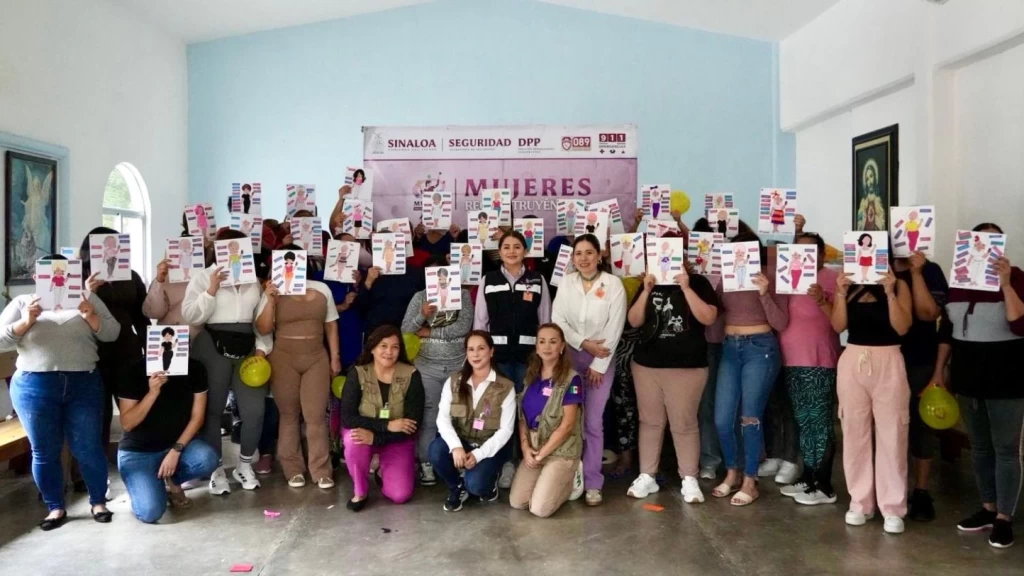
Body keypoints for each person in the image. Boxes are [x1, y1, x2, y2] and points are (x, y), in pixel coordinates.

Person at [0, 254, 120, 530]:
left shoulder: (87, 298)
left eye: (67, 274)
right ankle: (55, 507)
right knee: (44, 450)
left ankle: (98, 501)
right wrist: (26, 321)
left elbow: (112, 333)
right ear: (37, 278)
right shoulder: (22, 303)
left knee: (88, 447)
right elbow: (1, 339)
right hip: (34, 385)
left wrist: (90, 314)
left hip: (83, 383)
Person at [934, 223, 1024, 548]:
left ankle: (1004, 517)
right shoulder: (958, 284)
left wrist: (1005, 284)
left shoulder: (1015, 277)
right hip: (968, 380)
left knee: (1005, 450)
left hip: (1007, 382)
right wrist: (939, 372)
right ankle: (987, 508)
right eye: (977, 241)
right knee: (981, 447)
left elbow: (1020, 323)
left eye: (991, 242)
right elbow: (947, 331)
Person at [182, 229, 272, 495]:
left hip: (247, 348)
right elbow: (190, 315)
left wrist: (262, 348)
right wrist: (211, 289)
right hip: (211, 345)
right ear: (217, 248)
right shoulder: (202, 277)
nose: (234, 251)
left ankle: (244, 464)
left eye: (240, 247)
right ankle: (216, 469)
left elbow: (262, 321)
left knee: (255, 410)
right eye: (228, 246)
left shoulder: (253, 281)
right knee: (212, 410)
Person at [625, 260, 719, 504]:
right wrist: (645, 290)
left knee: (684, 423)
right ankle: (647, 474)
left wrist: (687, 288)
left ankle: (689, 478)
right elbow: (634, 320)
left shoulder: (698, 282)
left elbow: (709, 317)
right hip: (647, 365)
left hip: (687, 367)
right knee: (650, 422)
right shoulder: (650, 283)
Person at [832, 257, 912, 534]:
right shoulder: (850, 284)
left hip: (889, 359)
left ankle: (893, 506)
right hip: (853, 358)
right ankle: (860, 502)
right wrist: (841, 292)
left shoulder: (898, 284)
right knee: (854, 432)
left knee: (893, 433)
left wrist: (890, 293)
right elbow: (837, 326)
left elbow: (903, 327)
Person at [711, 231, 788, 507]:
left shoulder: (770, 276)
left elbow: (780, 322)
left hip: (761, 347)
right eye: (735, 251)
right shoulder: (727, 277)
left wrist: (765, 293)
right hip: (730, 347)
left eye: (745, 251)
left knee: (750, 417)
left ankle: (750, 480)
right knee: (722, 417)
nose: (740, 256)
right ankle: (732, 471)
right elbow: (715, 311)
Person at [255, 248, 341, 489]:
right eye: (286, 262)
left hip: (316, 356)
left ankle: (322, 470)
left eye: (296, 261)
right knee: (289, 414)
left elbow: (331, 325)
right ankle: (293, 468)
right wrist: (271, 299)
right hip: (283, 357)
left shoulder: (322, 289)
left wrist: (335, 357)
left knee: (315, 416)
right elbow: (262, 329)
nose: (292, 266)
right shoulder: (273, 290)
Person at [551, 234, 627, 506]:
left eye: (589, 253)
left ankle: (593, 482)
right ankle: (570, 476)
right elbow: (557, 319)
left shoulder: (614, 284)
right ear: (572, 258)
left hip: (600, 363)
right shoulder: (566, 283)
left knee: (593, 423)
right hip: (569, 361)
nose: (583, 258)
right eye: (578, 253)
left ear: (599, 255)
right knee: (567, 421)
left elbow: (615, 326)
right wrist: (583, 343)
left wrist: (598, 363)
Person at [475, 230, 552, 486]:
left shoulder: (537, 280)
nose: (511, 251)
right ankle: (506, 463)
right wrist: (483, 359)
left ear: (525, 251)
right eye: (506, 247)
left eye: (517, 246)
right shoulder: (489, 279)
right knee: (502, 412)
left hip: (529, 359)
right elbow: (480, 323)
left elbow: (546, 321)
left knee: (529, 411)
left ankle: (531, 460)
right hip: (499, 360)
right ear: (500, 251)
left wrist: (543, 357)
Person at [775, 227, 841, 505]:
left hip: (819, 360)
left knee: (820, 421)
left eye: (811, 250)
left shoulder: (834, 278)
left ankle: (824, 484)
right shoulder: (787, 276)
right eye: (798, 249)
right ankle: (808, 475)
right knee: (803, 421)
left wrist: (822, 299)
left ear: (823, 254)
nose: (804, 255)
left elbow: (841, 319)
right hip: (790, 360)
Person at [80, 227, 149, 477]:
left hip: (127, 351)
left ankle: (138, 461)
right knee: (98, 414)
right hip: (91, 352)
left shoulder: (130, 275)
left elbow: (141, 317)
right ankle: (93, 473)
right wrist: (89, 291)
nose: (110, 250)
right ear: (91, 249)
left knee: (133, 408)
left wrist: (148, 349)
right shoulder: (78, 276)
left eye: (115, 245)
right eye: (104, 245)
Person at [115, 359, 218, 523]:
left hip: (177, 446)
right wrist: (153, 392)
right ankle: (147, 487)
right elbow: (127, 424)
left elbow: (197, 418)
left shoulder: (195, 367)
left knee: (207, 458)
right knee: (150, 512)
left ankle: (172, 480)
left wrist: (175, 451)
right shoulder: (133, 369)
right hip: (139, 452)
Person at [401, 256, 473, 486]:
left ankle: (460, 461)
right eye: (434, 275)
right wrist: (422, 314)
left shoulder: (461, 295)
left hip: (458, 365)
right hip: (427, 366)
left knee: (460, 414)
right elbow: (406, 329)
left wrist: (430, 332)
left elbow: (464, 328)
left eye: (443, 274)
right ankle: (427, 463)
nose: (440, 279)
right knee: (430, 414)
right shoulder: (419, 297)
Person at [340, 326, 425, 511]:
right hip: (366, 435)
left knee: (400, 495)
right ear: (372, 348)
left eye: (395, 347)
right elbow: (347, 418)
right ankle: (360, 491)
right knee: (353, 439)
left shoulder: (412, 375)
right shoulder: (358, 373)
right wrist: (387, 426)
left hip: (397, 440)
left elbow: (412, 425)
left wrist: (378, 437)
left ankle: (382, 472)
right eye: (383, 346)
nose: (389, 352)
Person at [429, 331, 515, 511]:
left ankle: (488, 482)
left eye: (481, 348)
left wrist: (478, 455)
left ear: (491, 351)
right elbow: (442, 419)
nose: (475, 354)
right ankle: (456, 487)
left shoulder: (506, 387)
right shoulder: (454, 381)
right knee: (436, 450)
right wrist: (456, 446)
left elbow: (506, 431)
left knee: (476, 486)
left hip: (489, 447)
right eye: (471, 349)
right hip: (462, 442)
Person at [893, 247, 948, 521]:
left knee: (921, 427)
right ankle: (891, 490)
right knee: (886, 426)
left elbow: (928, 313)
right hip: (883, 358)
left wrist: (916, 273)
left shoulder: (931, 270)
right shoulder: (875, 269)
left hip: (920, 360)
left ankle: (922, 491)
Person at [509, 324, 584, 517]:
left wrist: (542, 455)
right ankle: (549, 481)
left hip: (560, 450)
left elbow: (567, 425)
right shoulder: (530, 375)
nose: (547, 346)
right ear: (536, 346)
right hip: (534, 446)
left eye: (553, 341)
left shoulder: (571, 379)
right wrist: (526, 449)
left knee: (539, 509)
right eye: (542, 341)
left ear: (562, 347)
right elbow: (522, 417)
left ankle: (571, 481)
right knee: (517, 502)